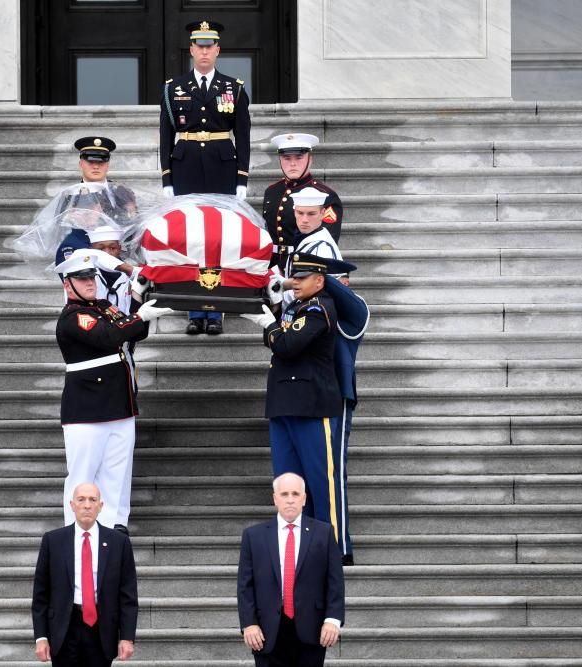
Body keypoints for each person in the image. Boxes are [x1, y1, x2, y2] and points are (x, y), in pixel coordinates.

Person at [242, 253, 358, 564]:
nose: (295, 283)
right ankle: (301, 544)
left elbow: (288, 345)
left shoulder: (320, 308)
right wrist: (275, 309)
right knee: (289, 481)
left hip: (312, 405)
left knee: (322, 482)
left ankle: (334, 547)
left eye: (302, 278)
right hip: (284, 404)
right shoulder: (299, 308)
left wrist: (268, 323)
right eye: (295, 277)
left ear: (319, 281)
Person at [54, 249, 172, 533]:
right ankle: (76, 528)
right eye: (81, 279)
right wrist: (139, 315)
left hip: (119, 405)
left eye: (91, 277)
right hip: (88, 410)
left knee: (117, 473)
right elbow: (109, 337)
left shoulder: (103, 306)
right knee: (83, 474)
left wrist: (137, 299)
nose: (90, 282)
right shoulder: (74, 317)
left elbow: (134, 331)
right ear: (67, 284)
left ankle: (115, 524)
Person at [159, 19, 251, 336]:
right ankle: (194, 310)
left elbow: (244, 136)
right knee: (190, 241)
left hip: (222, 168)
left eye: (209, 46)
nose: (204, 51)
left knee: (218, 240)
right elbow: (165, 137)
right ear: (191, 50)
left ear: (218, 50)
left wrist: (241, 179)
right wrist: (167, 180)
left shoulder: (234, 88)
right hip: (185, 169)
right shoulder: (174, 88)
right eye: (199, 46)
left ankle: (216, 311)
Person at [237, 472, 345, 667]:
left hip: (312, 631)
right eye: (284, 494)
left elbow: (335, 582)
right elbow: (245, 585)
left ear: (304, 499)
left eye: (295, 494)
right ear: (275, 499)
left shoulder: (324, 533)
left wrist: (333, 619)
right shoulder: (253, 537)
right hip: (266, 633)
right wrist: (248, 623)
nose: (290, 500)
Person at [32, 482, 138, 666]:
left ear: (101, 506)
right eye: (81, 499)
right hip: (64, 628)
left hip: (102, 629)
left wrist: (127, 637)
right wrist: (41, 636)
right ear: (72, 505)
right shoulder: (53, 541)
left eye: (92, 500)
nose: (87, 505)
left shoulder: (118, 543)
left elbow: (128, 594)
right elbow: (41, 593)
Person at [261, 133, 343, 270]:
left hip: (303, 268)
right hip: (270, 267)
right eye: (286, 158)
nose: (292, 164)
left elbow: (324, 242)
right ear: (280, 160)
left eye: (299, 158)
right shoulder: (272, 191)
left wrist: (281, 270)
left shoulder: (325, 195)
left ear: (310, 159)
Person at [55, 136, 138, 262]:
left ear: (107, 165)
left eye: (101, 162)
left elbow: (133, 227)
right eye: (91, 162)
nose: (96, 166)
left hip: (119, 259)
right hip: (83, 260)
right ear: (81, 164)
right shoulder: (70, 196)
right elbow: (61, 232)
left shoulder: (122, 192)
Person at [278, 187, 349, 306]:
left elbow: (314, 290)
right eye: (300, 213)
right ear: (294, 211)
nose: (305, 220)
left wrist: (276, 293)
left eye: (311, 214)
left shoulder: (323, 246)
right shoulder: (305, 237)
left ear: (322, 213)